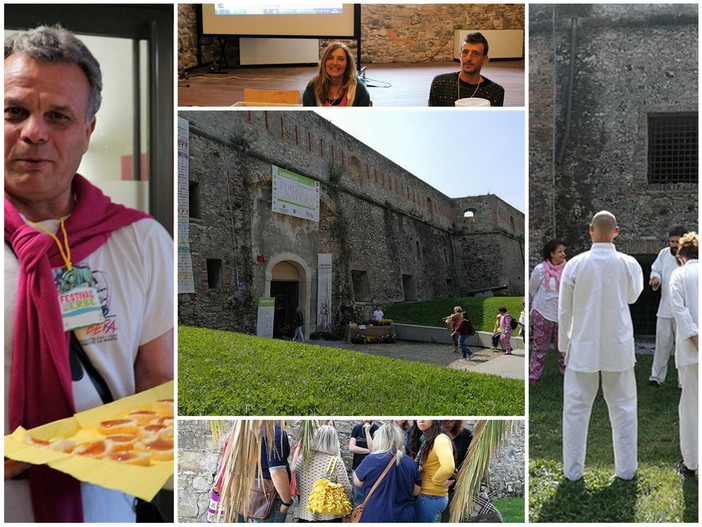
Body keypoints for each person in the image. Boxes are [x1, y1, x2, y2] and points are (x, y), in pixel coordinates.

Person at [4, 26, 173, 523]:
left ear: (87, 131)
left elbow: (162, 391)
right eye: (14, 111)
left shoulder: (142, 242)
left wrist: (40, 451)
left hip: (102, 507)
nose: (34, 131)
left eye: (58, 116)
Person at [559, 211, 643, 481]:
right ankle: (627, 470)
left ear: (591, 230)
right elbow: (632, 296)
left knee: (575, 408)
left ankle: (573, 472)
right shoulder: (629, 263)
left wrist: (563, 344)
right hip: (617, 345)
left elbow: (565, 310)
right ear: (616, 231)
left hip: (582, 344)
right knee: (624, 407)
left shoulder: (574, 264)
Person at [668, 232, 698, 478]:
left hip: (692, 351)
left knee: (690, 406)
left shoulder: (679, 274)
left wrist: (696, 340)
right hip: (693, 348)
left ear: (681, 257)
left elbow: (680, 311)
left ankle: (691, 463)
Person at [353, 423, 421, 523]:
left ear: (379, 439)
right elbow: (416, 491)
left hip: (377, 515)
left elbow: (358, 482)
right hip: (404, 517)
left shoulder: (371, 459)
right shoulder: (410, 462)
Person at [649, 225, 688, 387]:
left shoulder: (692, 257)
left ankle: (683, 381)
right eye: (671, 241)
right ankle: (656, 377)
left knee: (683, 347)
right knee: (662, 345)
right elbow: (655, 270)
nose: (673, 245)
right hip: (665, 307)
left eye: (676, 242)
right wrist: (655, 278)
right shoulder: (664, 254)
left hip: (685, 309)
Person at [292, 425, 352, 522]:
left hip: (304, 514)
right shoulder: (335, 461)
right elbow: (346, 488)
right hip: (329, 515)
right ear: (334, 441)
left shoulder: (302, 459)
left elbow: (298, 486)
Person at [428, 32, 505, 107]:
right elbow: (431, 117)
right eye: (465, 52)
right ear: (460, 56)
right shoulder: (441, 83)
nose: (468, 58)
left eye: (475, 53)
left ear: (484, 59)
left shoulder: (495, 92)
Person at [529, 239, 567, 385]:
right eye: (560, 251)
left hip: (562, 314)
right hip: (543, 312)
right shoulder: (540, 269)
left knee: (563, 346)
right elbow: (533, 289)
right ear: (551, 253)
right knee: (540, 347)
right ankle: (534, 374)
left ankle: (565, 372)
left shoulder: (568, 269)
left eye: (563, 251)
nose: (563, 254)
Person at [408, 419, 455, 522]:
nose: (421, 420)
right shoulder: (427, 439)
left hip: (430, 496)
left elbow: (448, 467)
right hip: (428, 496)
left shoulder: (440, 439)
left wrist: (436, 480)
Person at [302, 42, 370, 107]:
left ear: (347, 64)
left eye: (340, 59)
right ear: (324, 63)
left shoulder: (359, 89)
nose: (335, 63)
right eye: (330, 58)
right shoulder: (312, 88)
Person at [349, 420, 379, 507]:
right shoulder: (357, 428)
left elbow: (374, 449)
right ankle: (357, 517)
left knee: (370, 495)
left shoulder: (377, 430)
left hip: (372, 468)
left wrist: (367, 432)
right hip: (357, 467)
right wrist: (369, 451)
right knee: (357, 495)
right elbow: (351, 447)